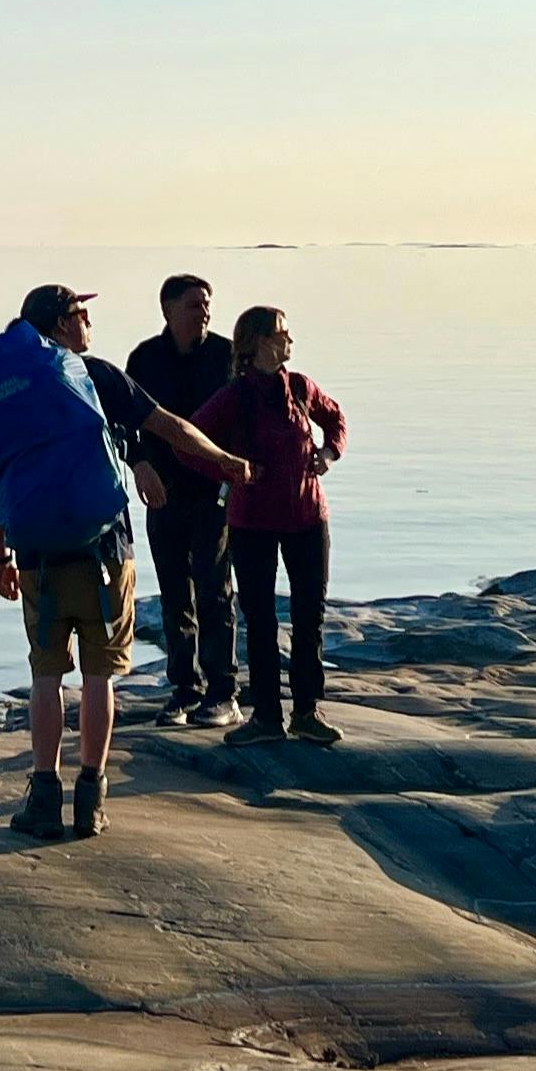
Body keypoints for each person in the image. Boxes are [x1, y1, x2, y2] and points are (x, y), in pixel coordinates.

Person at [0, 282, 250, 840]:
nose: (89, 320)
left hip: (37, 552)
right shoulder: (95, 375)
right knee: (99, 678)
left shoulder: (5, 392)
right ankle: (90, 798)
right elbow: (171, 428)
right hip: (105, 550)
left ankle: (43, 795)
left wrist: (2, 555)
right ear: (62, 325)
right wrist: (224, 461)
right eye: (80, 312)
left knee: (45, 676)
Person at [196, 304, 349, 744]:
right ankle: (265, 717)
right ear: (261, 341)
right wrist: (229, 469)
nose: (290, 340)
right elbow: (190, 442)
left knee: (309, 617)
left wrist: (328, 454)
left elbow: (336, 418)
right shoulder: (234, 396)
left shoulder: (300, 387)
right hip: (252, 524)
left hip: (307, 519)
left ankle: (306, 711)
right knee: (260, 620)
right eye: (283, 333)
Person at [122, 274, 239, 727]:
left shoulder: (226, 356)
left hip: (213, 493)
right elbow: (124, 421)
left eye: (207, 304)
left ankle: (223, 692)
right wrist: (138, 464)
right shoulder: (145, 358)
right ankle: (184, 690)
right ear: (168, 310)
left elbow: (241, 420)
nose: (204, 311)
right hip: (163, 492)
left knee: (214, 590)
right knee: (174, 594)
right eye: (194, 305)